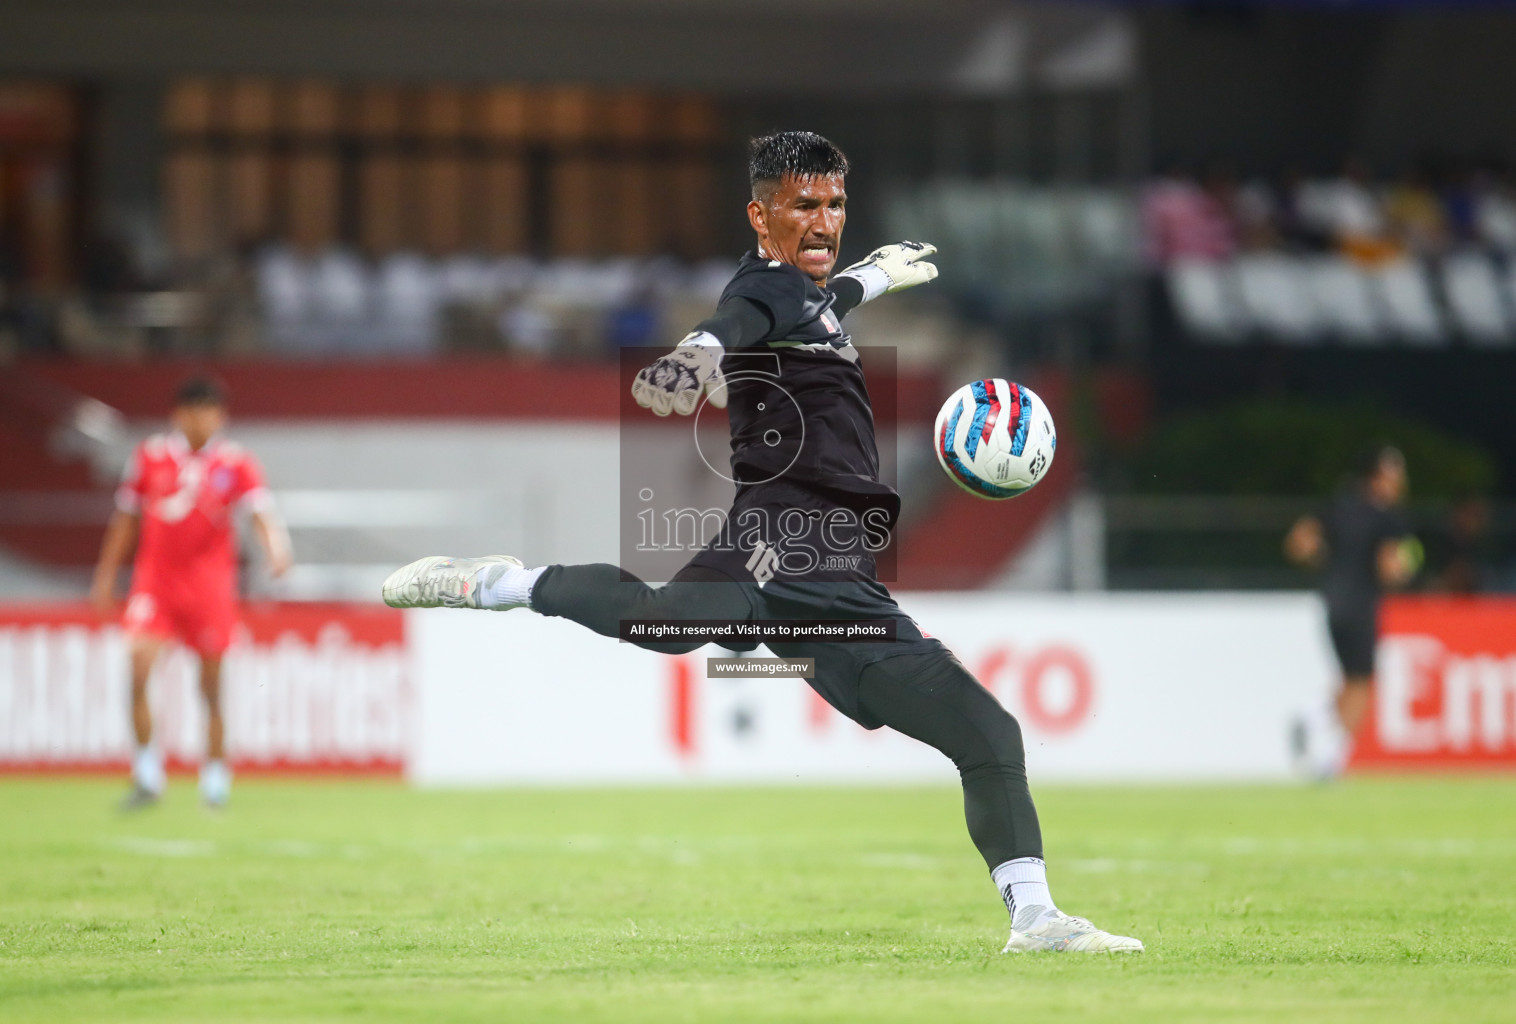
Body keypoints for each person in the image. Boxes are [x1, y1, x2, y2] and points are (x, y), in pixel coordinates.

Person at [382, 132, 1142, 954]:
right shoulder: (764, 286)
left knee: (987, 734)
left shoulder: (808, 293)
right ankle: (497, 584)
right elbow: (738, 319)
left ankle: (1034, 918)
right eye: (803, 205)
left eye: (835, 204)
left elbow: (821, 304)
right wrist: (694, 356)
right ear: (760, 213)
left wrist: (875, 274)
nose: (824, 220)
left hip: (843, 580)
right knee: (663, 621)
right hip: (774, 543)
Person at [91, 376, 293, 808]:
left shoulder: (236, 463)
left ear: (221, 416)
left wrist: (277, 549)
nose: (202, 420)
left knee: (211, 687)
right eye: (194, 411)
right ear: (178, 414)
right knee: (139, 668)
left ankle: (215, 779)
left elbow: (261, 511)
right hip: (156, 585)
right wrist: (106, 574)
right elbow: (125, 518)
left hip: (210, 589)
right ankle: (147, 774)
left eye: (210, 411)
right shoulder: (149, 457)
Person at [1284, 446, 1418, 777]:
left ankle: (1312, 718)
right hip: (1361, 603)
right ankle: (1333, 758)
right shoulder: (1387, 517)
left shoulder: (1337, 506)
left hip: (1332, 601)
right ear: (1379, 478)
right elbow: (1389, 568)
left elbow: (1298, 542)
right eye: (1394, 475)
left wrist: (1320, 559)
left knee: (1348, 679)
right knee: (1362, 684)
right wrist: (1405, 571)